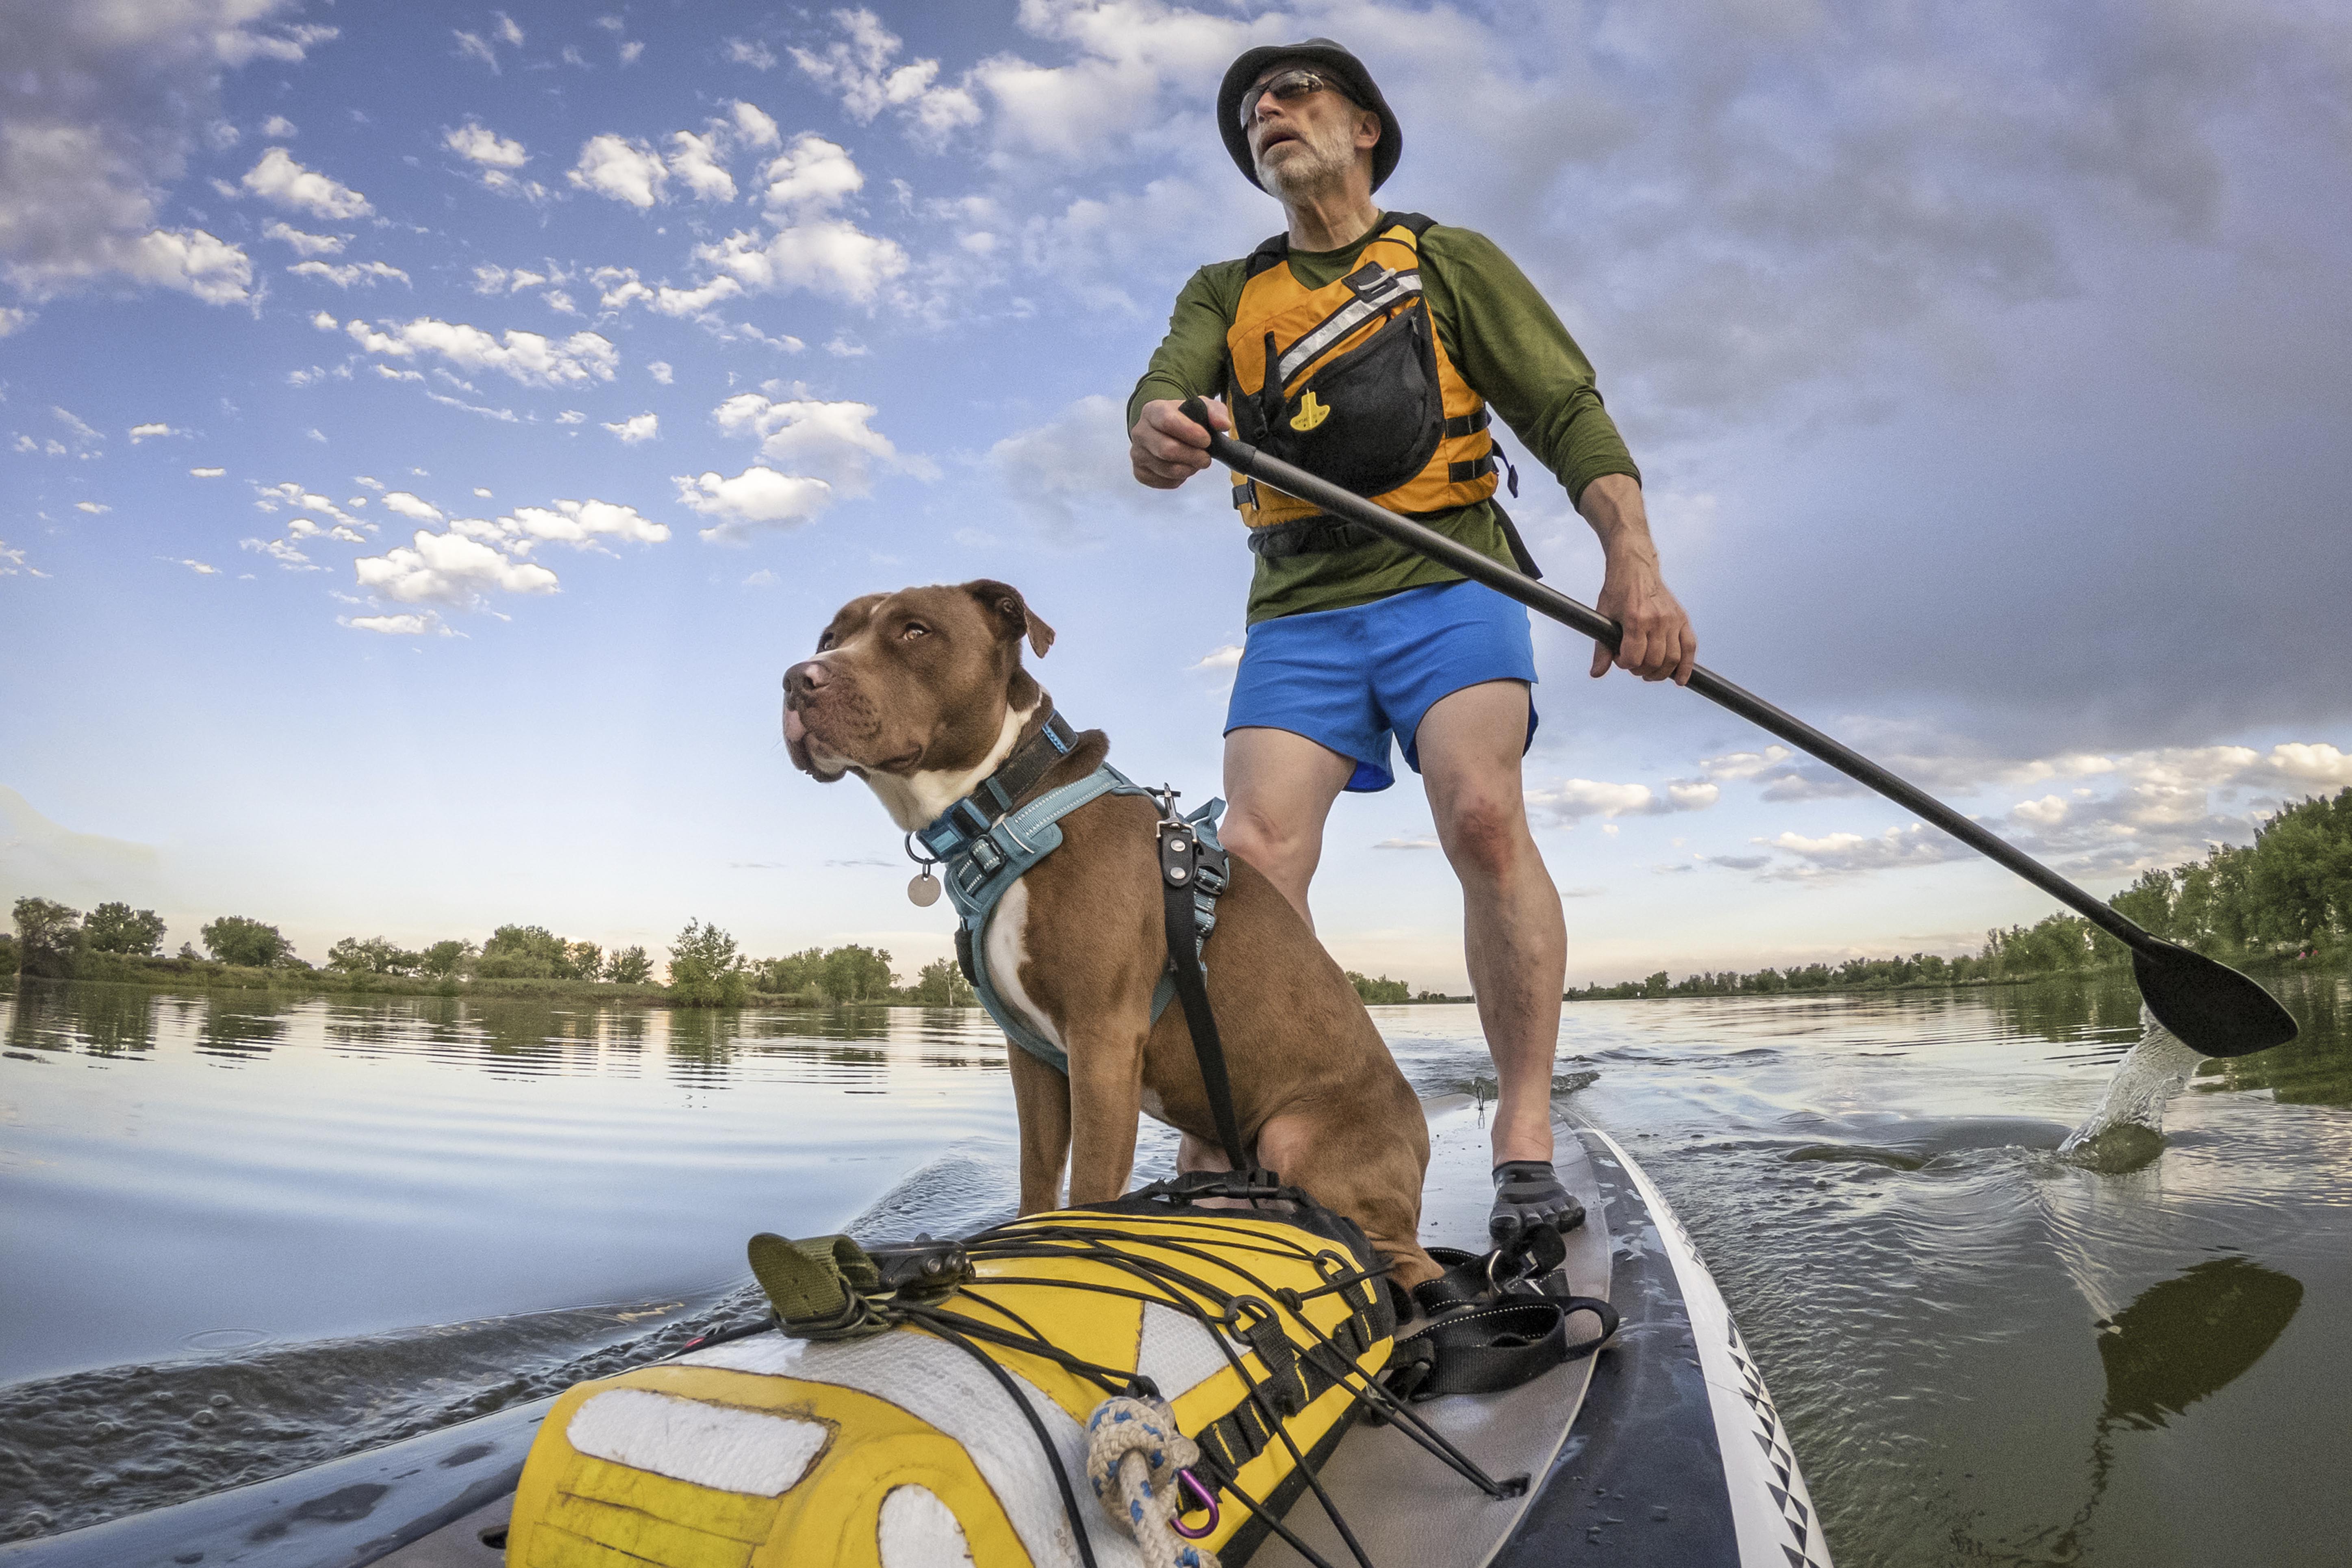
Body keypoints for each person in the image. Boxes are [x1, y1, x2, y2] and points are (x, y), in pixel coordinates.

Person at [1125, 38, 1697, 1242]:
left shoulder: (1443, 257)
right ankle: (1220, 1144)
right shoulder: (1224, 292)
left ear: (1366, 128)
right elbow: (1157, 402)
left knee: (1481, 814)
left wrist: (1631, 562)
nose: (1265, 114)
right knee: (1251, 853)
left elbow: (1562, 411)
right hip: (1298, 607)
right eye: (1249, 113)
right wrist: (1160, 431)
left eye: (1292, 96)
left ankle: (1522, 1135)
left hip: (1454, 579)